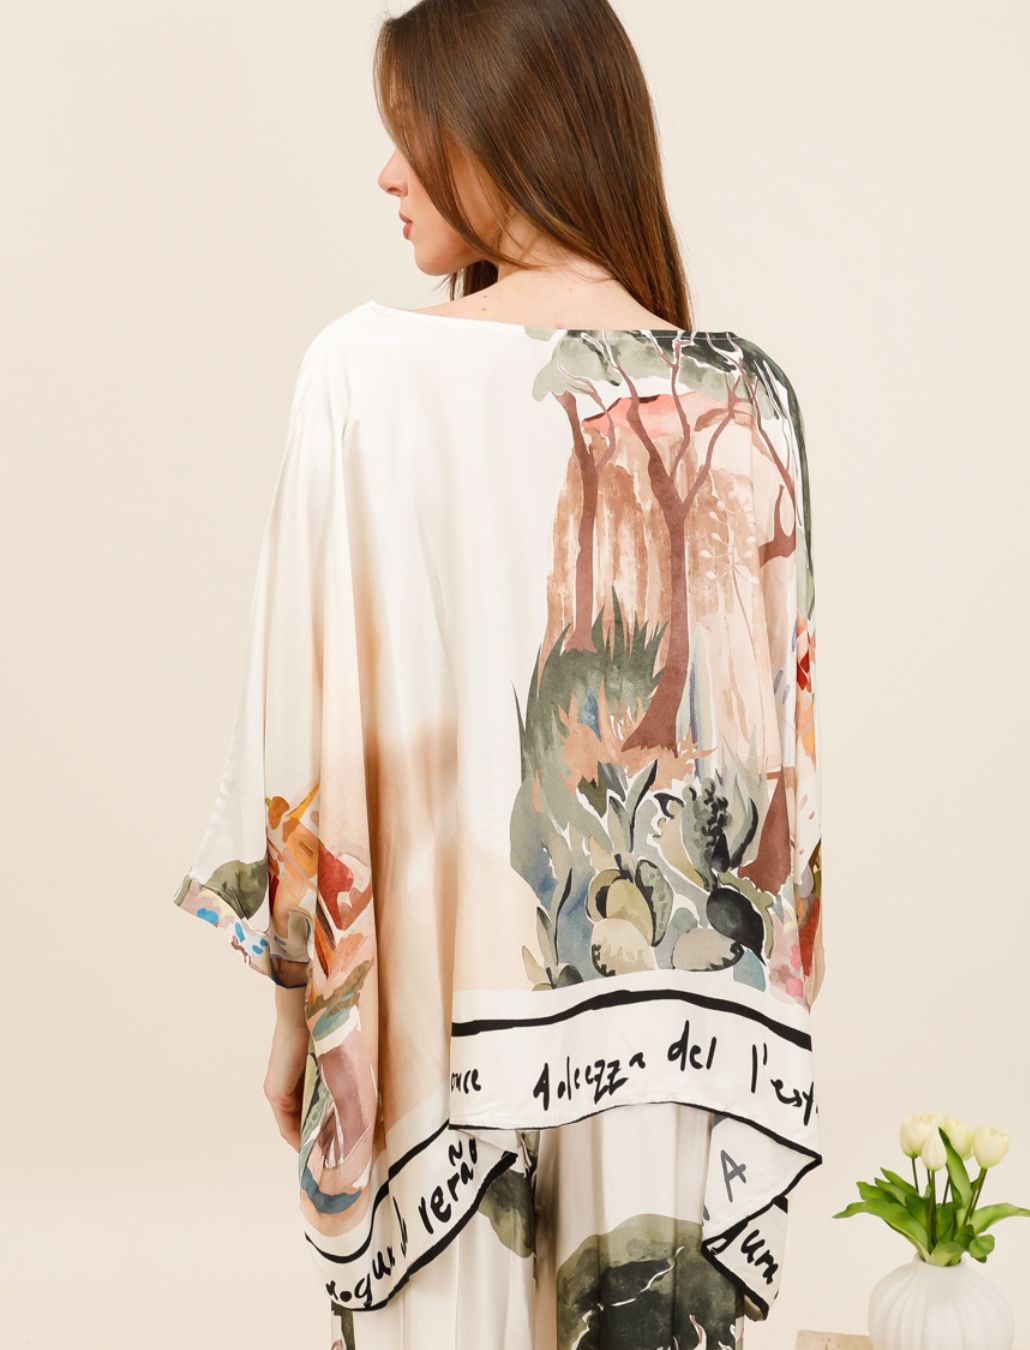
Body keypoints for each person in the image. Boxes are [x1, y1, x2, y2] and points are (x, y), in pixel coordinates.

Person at [169, 1, 825, 1347]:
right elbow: (778, 788)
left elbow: (304, 730)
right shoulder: (752, 395)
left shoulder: (362, 375)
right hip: (670, 1039)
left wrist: (301, 1016)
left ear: (503, 131)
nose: (387, 173)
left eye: (412, 134)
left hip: (442, 1027)